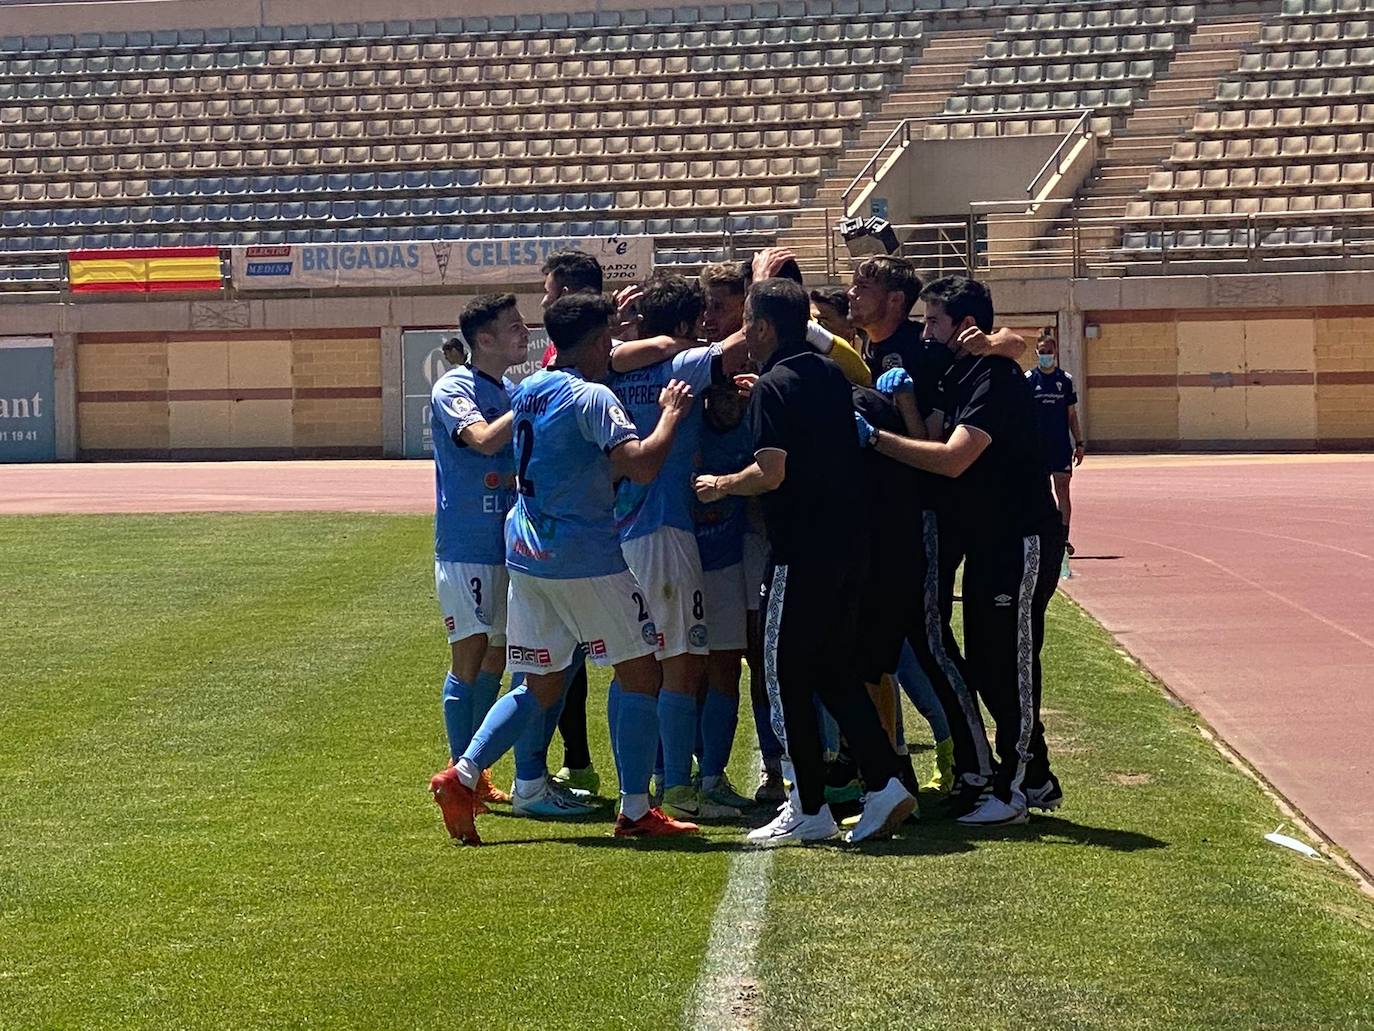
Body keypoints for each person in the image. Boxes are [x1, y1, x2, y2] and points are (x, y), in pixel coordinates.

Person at [430, 293, 701, 844]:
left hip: (527, 556)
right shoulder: (593, 397)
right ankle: (634, 809)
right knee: (642, 672)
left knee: (539, 682)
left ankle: (462, 774)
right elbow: (643, 466)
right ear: (600, 343)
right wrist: (671, 415)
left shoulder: (528, 388)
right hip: (585, 557)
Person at [694, 277, 916, 846]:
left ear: (763, 328)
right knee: (831, 669)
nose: (743, 330)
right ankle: (885, 783)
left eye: (747, 320)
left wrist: (720, 484)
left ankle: (807, 803)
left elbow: (772, 472)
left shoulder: (774, 386)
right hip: (849, 548)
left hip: (801, 551)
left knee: (782, 671)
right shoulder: (826, 374)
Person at [858, 276, 1065, 826]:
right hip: (986, 542)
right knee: (990, 662)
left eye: (934, 322)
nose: (926, 333)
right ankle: (1035, 777)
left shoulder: (993, 377)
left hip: (1020, 538)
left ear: (966, 325)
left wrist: (874, 439)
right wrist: (900, 402)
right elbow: (925, 434)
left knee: (1010, 665)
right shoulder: (959, 372)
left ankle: (1014, 790)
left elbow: (952, 459)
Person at [847, 255, 998, 814]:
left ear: (894, 301)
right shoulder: (864, 348)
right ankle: (906, 761)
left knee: (929, 640)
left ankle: (968, 760)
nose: (853, 292)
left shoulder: (923, 353)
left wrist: (901, 405)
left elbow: (931, 444)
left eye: (865, 285)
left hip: (922, 520)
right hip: (881, 522)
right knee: (892, 647)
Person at [606, 273, 748, 821]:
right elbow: (742, 344)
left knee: (634, 663)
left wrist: (621, 329)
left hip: (621, 533)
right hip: (667, 532)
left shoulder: (610, 371)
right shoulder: (682, 366)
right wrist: (759, 287)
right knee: (686, 663)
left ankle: (641, 783)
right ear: (688, 325)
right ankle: (680, 790)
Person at [425, 296, 523, 823]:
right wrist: (528, 403)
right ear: (483, 339)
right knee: (470, 653)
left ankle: (475, 770)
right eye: (513, 327)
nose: (523, 333)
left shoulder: (504, 390)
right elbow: (483, 441)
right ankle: (462, 773)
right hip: (465, 544)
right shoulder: (455, 388)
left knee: (497, 656)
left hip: (506, 543)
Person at [1028, 331, 1085, 556]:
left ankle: (1063, 537)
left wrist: (1079, 442)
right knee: (1040, 491)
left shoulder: (1065, 381)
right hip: (1037, 448)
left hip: (1060, 446)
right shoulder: (1029, 380)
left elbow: (1072, 416)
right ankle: (1042, 535)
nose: (1045, 356)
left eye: (1049, 352)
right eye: (1042, 353)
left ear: (1056, 353)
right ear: (1036, 353)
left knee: (1062, 489)